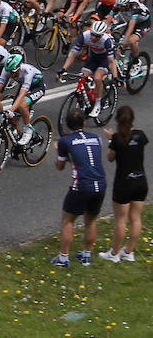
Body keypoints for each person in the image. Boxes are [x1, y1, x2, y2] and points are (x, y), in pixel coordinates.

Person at [51, 109, 107, 267]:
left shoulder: (65, 141)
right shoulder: (97, 138)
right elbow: (87, 160)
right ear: (84, 123)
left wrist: (59, 152)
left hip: (82, 184)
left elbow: (60, 166)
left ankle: (63, 258)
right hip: (101, 183)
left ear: (68, 125)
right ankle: (86, 255)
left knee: (67, 221)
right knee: (91, 221)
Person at [101, 105, 146, 263]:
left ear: (117, 120)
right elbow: (131, 142)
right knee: (136, 218)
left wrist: (111, 139)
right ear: (133, 120)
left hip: (124, 184)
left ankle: (114, 254)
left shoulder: (116, 139)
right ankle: (129, 251)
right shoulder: (140, 136)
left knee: (121, 220)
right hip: (141, 181)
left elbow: (110, 157)